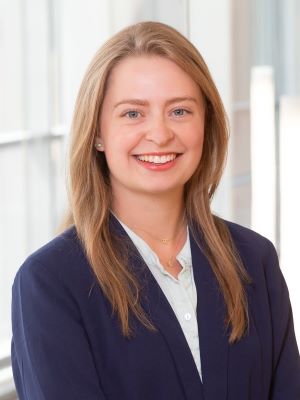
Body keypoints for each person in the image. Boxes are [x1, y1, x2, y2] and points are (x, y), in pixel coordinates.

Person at [11, 20, 300, 400]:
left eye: (180, 111)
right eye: (133, 113)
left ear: (205, 124)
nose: (161, 134)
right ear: (97, 132)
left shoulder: (254, 261)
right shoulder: (50, 283)